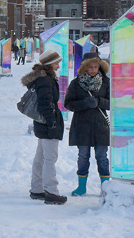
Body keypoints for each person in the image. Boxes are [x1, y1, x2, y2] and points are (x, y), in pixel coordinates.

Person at [21, 49, 67, 205]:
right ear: (49, 64)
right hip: (48, 124)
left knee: (41, 157)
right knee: (50, 159)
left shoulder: (43, 79)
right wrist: (52, 122)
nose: (58, 65)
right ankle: (51, 192)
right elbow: (46, 104)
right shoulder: (46, 80)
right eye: (56, 63)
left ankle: (37, 189)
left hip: (43, 123)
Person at [64, 53, 111, 195]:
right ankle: (81, 187)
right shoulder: (76, 83)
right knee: (83, 157)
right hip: (82, 125)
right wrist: (84, 103)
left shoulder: (106, 82)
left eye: (95, 66)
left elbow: (113, 103)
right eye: (90, 67)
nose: (93, 69)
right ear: (84, 67)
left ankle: (105, 188)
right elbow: (68, 104)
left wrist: (99, 102)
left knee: (102, 157)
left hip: (100, 125)